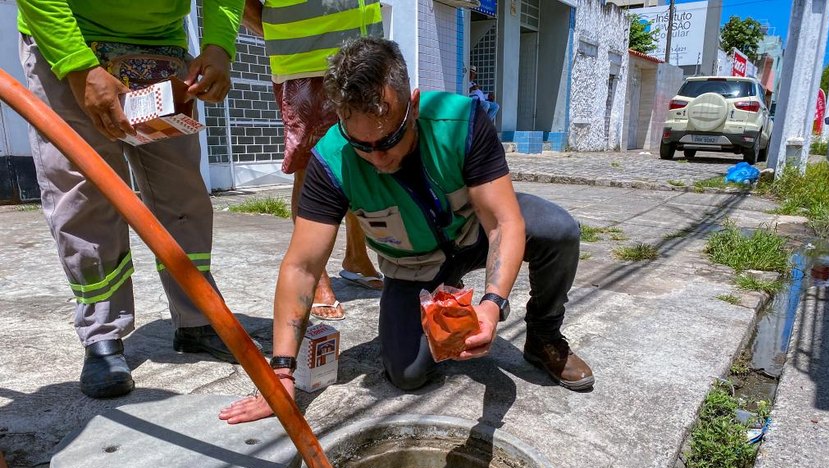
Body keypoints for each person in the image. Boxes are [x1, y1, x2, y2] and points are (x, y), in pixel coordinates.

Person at [219, 37, 593, 425]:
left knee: (557, 230)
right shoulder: (331, 162)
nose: (378, 158)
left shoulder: (461, 120)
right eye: (361, 144)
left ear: (412, 105)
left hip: (476, 232)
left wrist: (492, 304)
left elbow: (502, 223)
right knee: (407, 375)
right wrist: (281, 372)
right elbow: (302, 268)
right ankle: (444, 306)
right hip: (414, 265)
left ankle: (544, 338)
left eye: (390, 139)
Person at [17, 1, 253, 399]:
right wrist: (77, 65)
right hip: (69, 40)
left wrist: (218, 45)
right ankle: (102, 334)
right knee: (84, 195)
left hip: (160, 49)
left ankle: (198, 317)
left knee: (181, 194)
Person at [240, 0, 385, 321]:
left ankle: (357, 258)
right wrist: (283, 35)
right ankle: (315, 276)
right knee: (313, 168)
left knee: (361, 161)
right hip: (306, 62)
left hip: (365, 57)